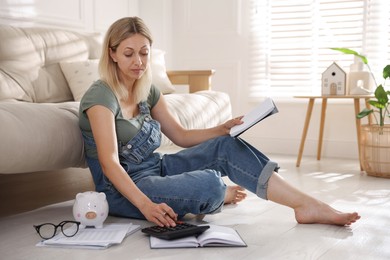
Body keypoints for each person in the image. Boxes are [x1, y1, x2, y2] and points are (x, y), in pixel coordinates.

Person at [79, 16, 360, 228]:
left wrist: (221, 129)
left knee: (226, 145)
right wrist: (145, 205)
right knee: (210, 186)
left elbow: (180, 135)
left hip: (158, 168)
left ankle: (307, 205)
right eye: (129, 54)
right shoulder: (101, 96)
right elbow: (109, 163)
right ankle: (216, 192)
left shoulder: (147, 89)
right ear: (112, 54)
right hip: (124, 189)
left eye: (144, 53)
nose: (138, 62)